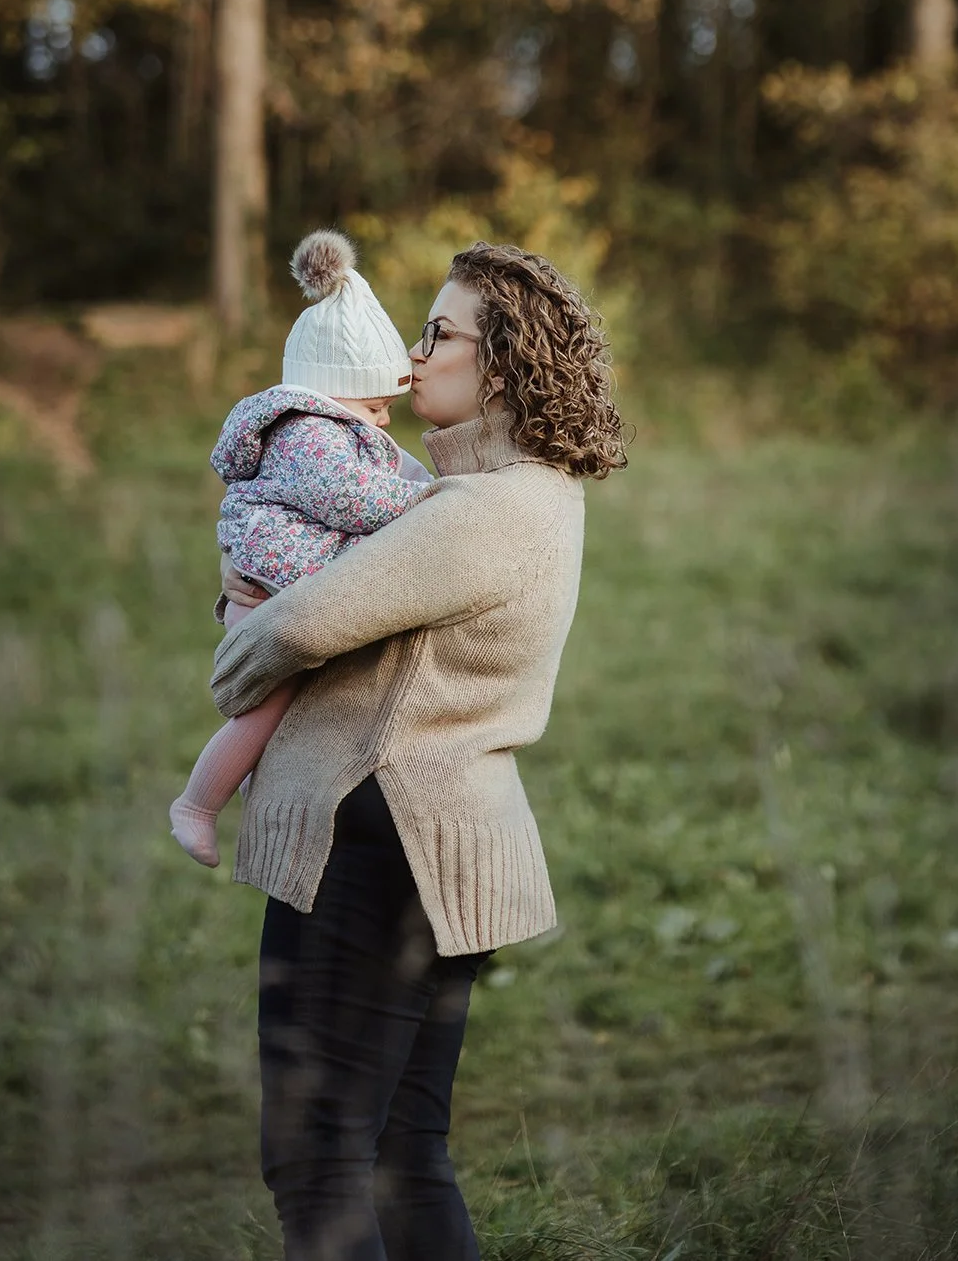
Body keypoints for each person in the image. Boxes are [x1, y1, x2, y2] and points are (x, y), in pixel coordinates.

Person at [210, 241, 627, 1261]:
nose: (409, 354)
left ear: (499, 364)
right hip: (424, 848)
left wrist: (235, 628)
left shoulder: (482, 513)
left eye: (436, 333)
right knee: (400, 1150)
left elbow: (299, 629)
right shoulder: (511, 497)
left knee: (316, 1154)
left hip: (380, 845)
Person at [169, 230, 433, 868]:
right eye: (376, 407)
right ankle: (198, 806)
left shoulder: (325, 427)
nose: (385, 421)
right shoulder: (311, 438)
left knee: (282, 713)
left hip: (275, 583)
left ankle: (245, 792)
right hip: (266, 598)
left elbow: (385, 474)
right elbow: (356, 500)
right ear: (334, 396)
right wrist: (430, 502)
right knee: (266, 713)